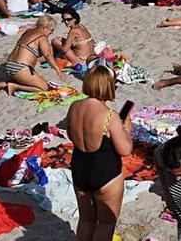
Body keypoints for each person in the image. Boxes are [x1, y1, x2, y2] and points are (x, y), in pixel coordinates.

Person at [66, 65, 133, 241]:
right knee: (106, 223)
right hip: (105, 173)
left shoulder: (74, 107)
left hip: (80, 169)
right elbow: (125, 150)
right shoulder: (109, 115)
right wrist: (126, 130)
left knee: (87, 220)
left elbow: (70, 135)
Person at [0, 15, 65, 97]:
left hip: (9, 65)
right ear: (45, 27)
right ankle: (13, 86)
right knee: (44, 88)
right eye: (52, 30)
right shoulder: (42, 37)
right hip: (21, 68)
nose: (52, 32)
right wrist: (58, 70)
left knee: (29, 80)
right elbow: (47, 55)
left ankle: (0, 85)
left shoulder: (28, 31)